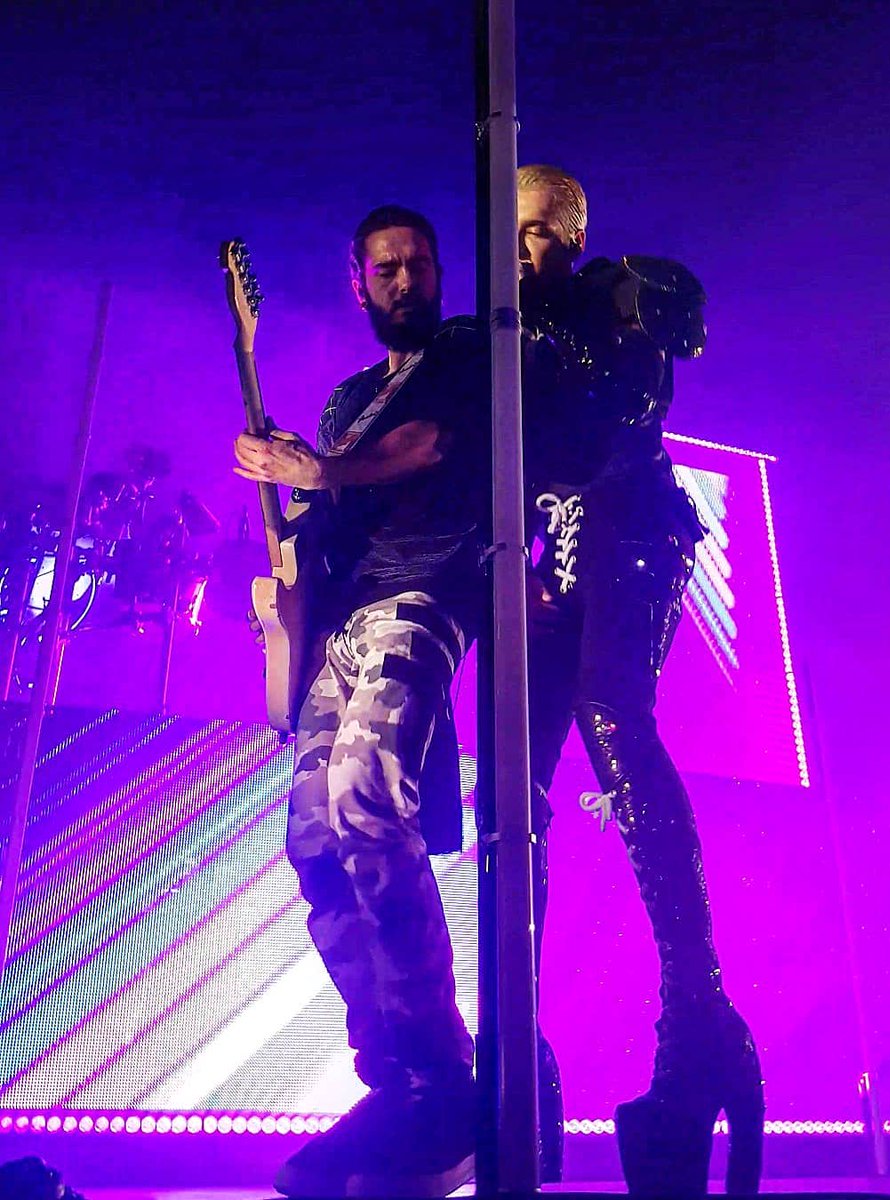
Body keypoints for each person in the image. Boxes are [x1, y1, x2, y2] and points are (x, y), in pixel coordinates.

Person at [518, 164, 765, 1198]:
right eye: (509, 230)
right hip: (547, 565)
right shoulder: (498, 328)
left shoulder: (611, 299)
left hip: (632, 533)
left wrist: (597, 310)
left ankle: (697, 1018)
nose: (520, 247)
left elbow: (626, 403)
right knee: (513, 781)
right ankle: (518, 1042)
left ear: (572, 235)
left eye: (537, 230)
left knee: (612, 715)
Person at [233, 205, 488, 1198]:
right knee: (311, 842)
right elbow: (325, 509)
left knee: (370, 799)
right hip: (341, 622)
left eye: (419, 263)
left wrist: (325, 468)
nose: (406, 280)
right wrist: (290, 493)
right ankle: (394, 1080)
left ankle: (444, 1082)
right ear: (359, 282)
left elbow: (428, 445)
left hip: (421, 598)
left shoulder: (465, 352)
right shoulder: (347, 399)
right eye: (387, 269)